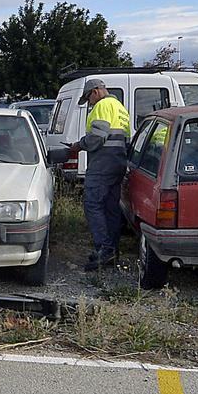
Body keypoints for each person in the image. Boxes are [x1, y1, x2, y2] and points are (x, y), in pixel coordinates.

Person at [73, 79, 132, 269]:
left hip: (102, 164)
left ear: (95, 91)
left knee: (92, 204)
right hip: (118, 163)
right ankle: (112, 250)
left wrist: (79, 145)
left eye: (88, 98)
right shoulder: (120, 108)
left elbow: (97, 138)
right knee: (111, 208)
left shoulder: (102, 106)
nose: (89, 103)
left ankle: (105, 249)